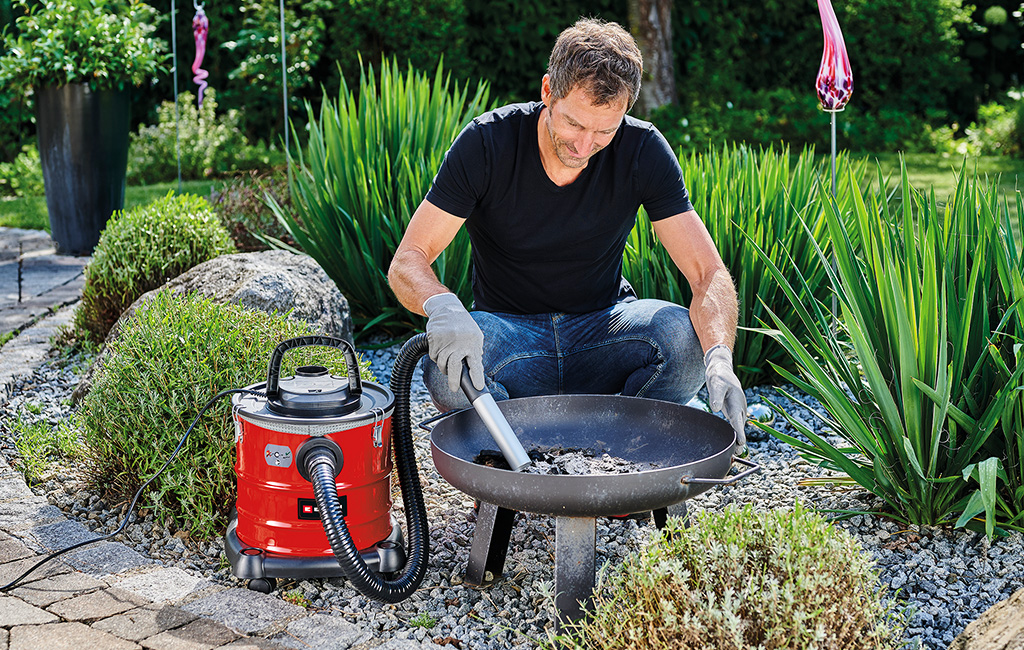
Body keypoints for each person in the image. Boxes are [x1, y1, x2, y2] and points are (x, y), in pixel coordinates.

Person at [388, 17, 747, 454]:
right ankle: (510, 458)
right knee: (447, 369)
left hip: (603, 326)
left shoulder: (642, 149)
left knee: (683, 339)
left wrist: (720, 360)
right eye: (574, 124)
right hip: (509, 335)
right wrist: (443, 307)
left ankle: (619, 456)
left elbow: (708, 272)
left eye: (604, 131)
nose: (584, 146)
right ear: (547, 92)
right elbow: (409, 259)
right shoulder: (487, 144)